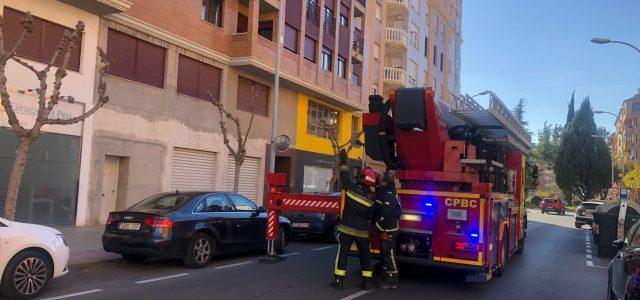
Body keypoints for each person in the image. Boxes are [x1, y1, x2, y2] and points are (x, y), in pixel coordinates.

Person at [331, 149, 377, 290]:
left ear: (361, 178)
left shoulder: (351, 188)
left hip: (346, 229)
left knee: (343, 253)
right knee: (365, 256)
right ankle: (367, 282)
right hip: (362, 232)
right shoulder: (372, 198)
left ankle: (339, 281)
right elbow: (371, 216)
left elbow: (344, 176)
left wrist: (344, 162)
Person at [374, 170, 402, 289]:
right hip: (387, 228)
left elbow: (386, 212)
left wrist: (378, 224)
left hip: (389, 228)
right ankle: (386, 277)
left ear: (385, 182)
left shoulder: (389, 195)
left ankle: (392, 281)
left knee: (389, 253)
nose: (378, 180)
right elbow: (379, 194)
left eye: (380, 179)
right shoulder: (386, 191)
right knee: (385, 253)